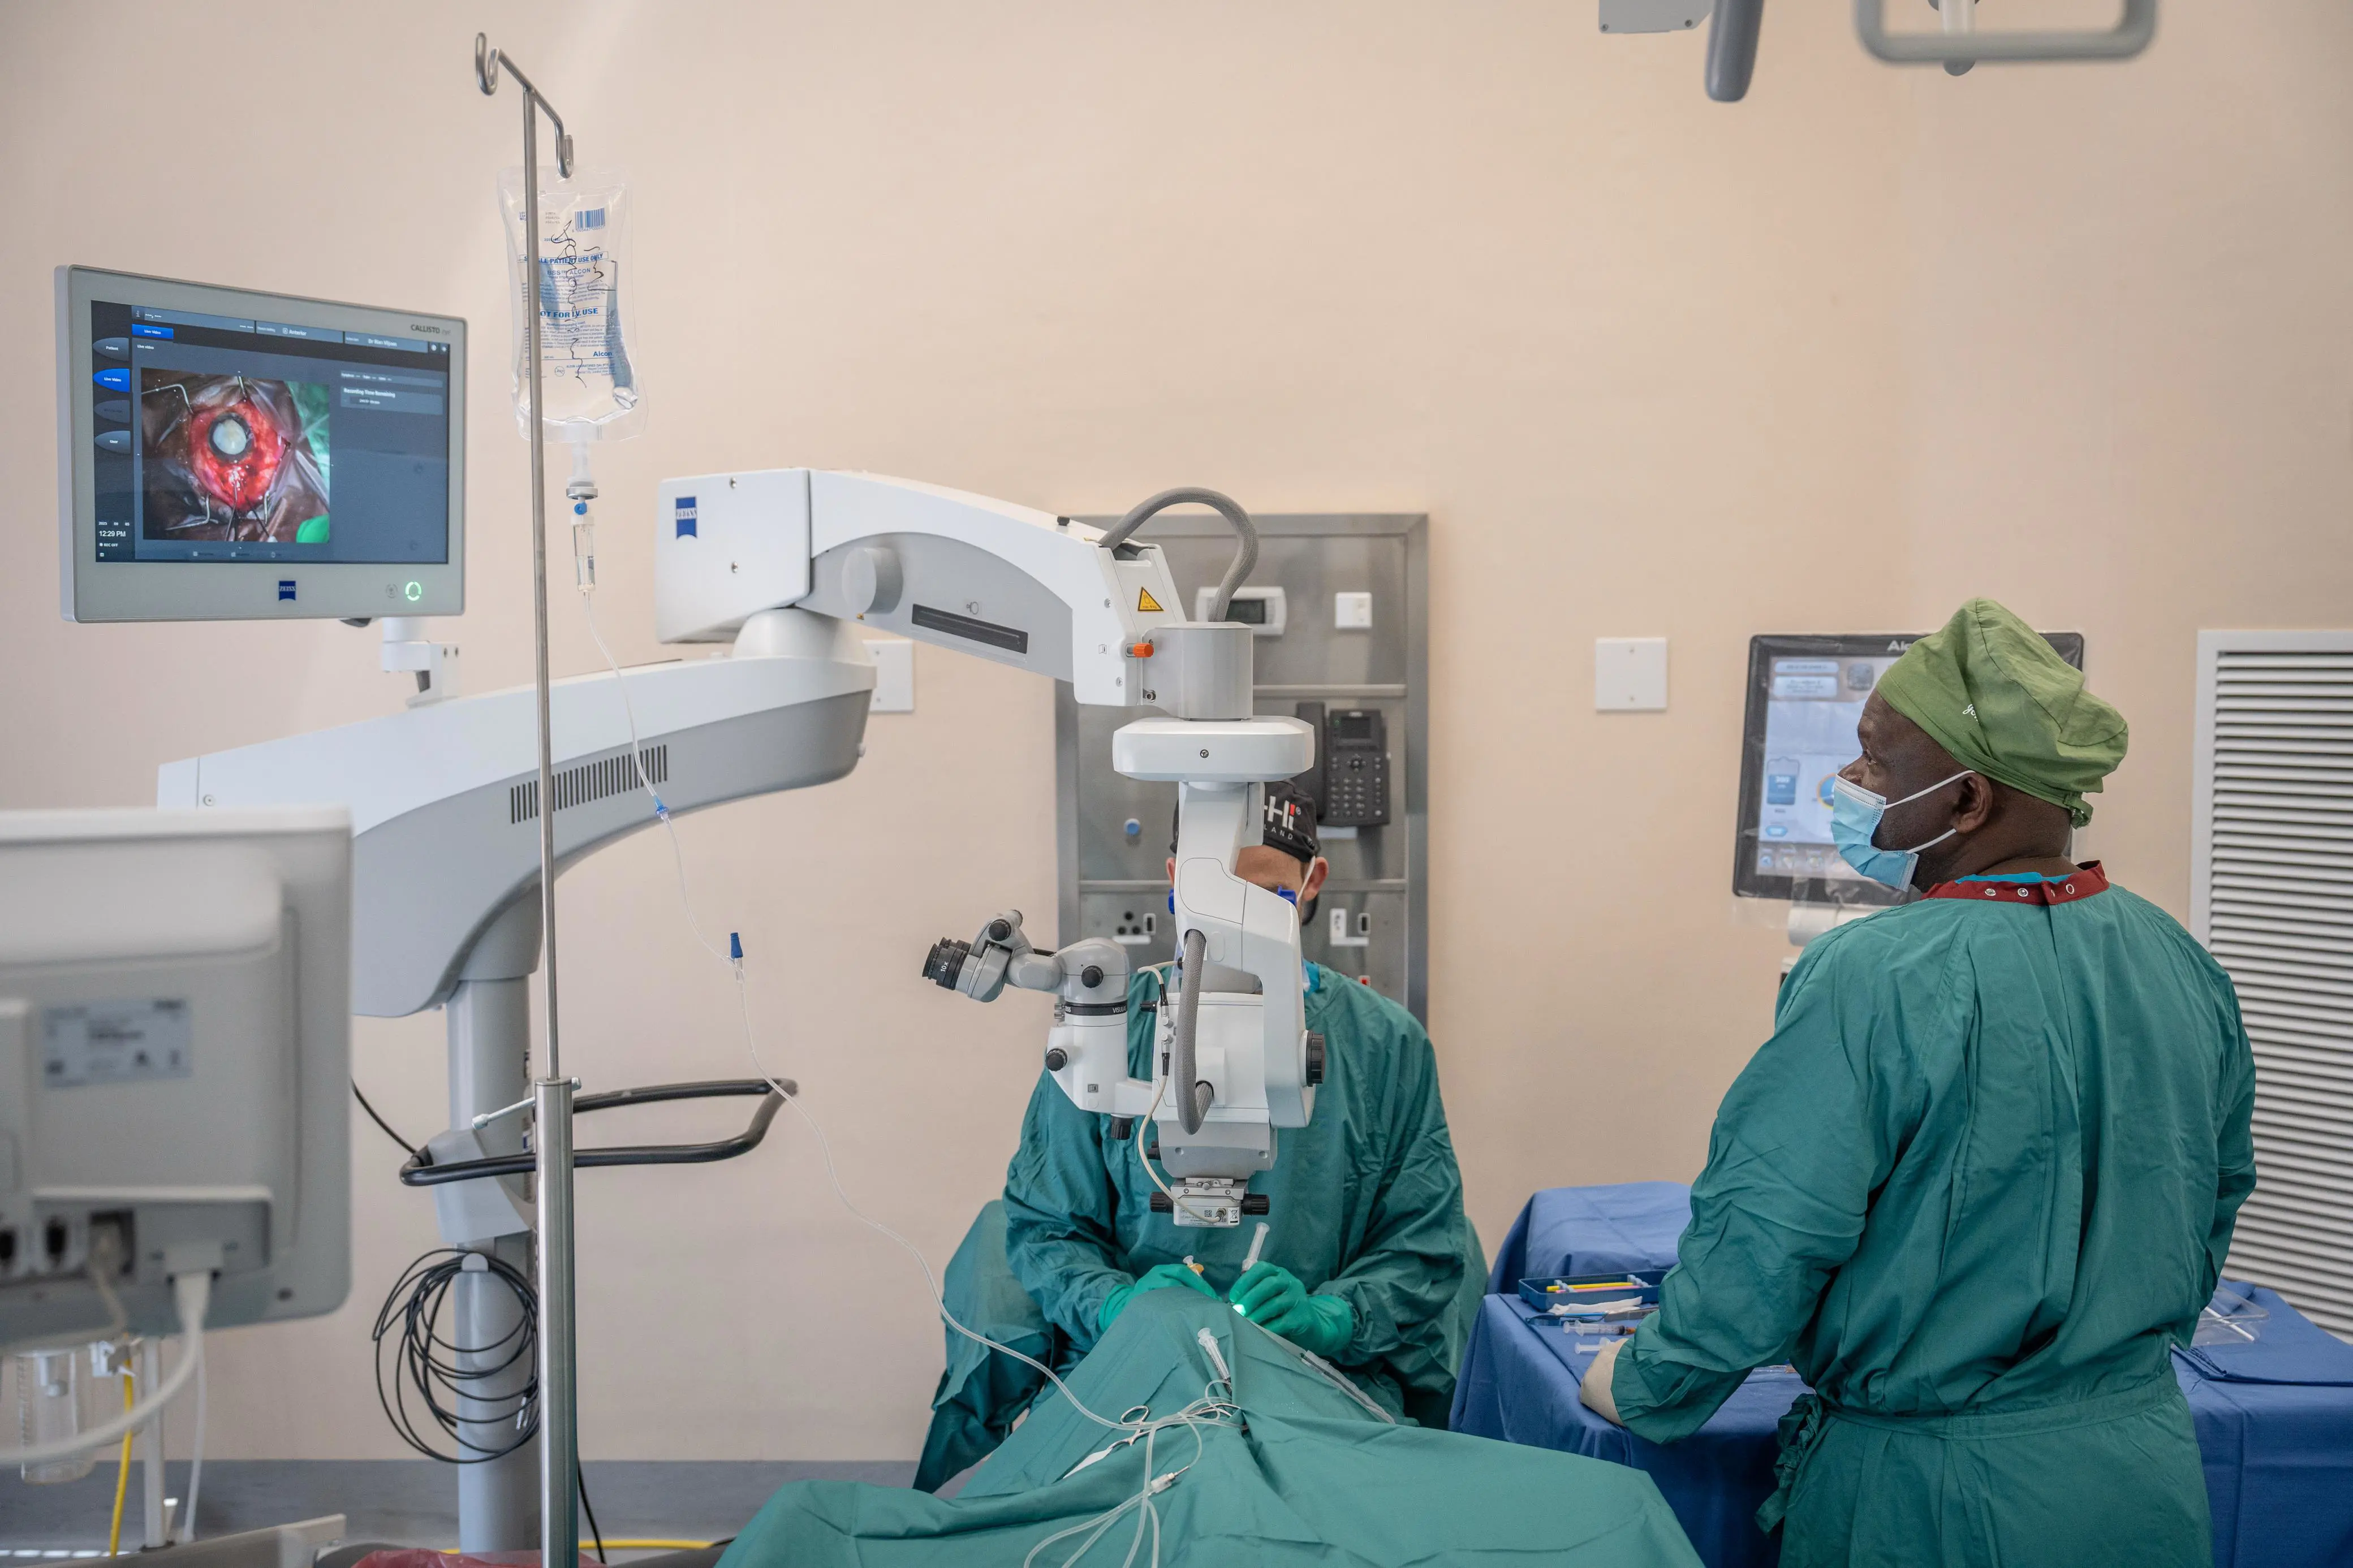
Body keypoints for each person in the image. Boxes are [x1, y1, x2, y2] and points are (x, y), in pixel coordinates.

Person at [1579, 598, 2256, 1568]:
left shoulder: (1874, 974)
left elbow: (1770, 1233)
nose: (1848, 782)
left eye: (1873, 760)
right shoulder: (2180, 962)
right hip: (2140, 1477)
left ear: (1967, 800)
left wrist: (1649, 1379)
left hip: (1935, 1502)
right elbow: (2215, 1196)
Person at [1000, 781, 1476, 1424]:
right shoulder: (1109, 1034)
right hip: (1135, 1369)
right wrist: (1115, 1306)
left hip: (1318, 1378)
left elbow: (1421, 1241)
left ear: (1312, 883)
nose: (1238, 922)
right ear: (1174, 878)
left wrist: (1335, 1317)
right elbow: (1048, 1226)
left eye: (1267, 896)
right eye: (1218, 896)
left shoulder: (1386, 1046)